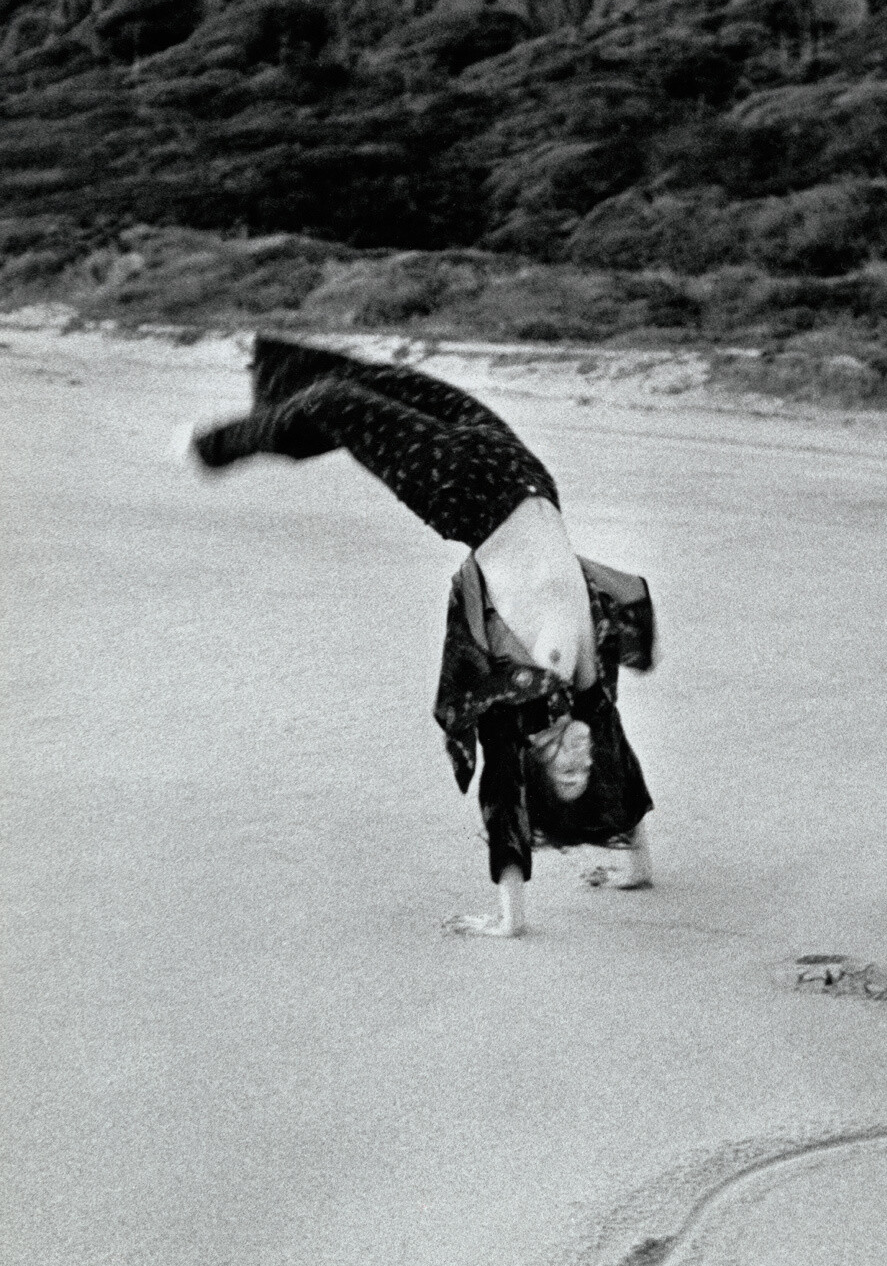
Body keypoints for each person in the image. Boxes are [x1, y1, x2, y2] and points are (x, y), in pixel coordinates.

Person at [189, 334, 656, 937]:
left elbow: (501, 792)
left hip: (459, 491)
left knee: (336, 404)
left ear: (541, 761)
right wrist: (637, 866)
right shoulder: (586, 687)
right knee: (391, 383)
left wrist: (508, 920)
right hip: (527, 476)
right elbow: (620, 766)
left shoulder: (527, 687)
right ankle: (275, 366)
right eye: (584, 771)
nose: (581, 760)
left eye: (566, 774)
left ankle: (211, 447)